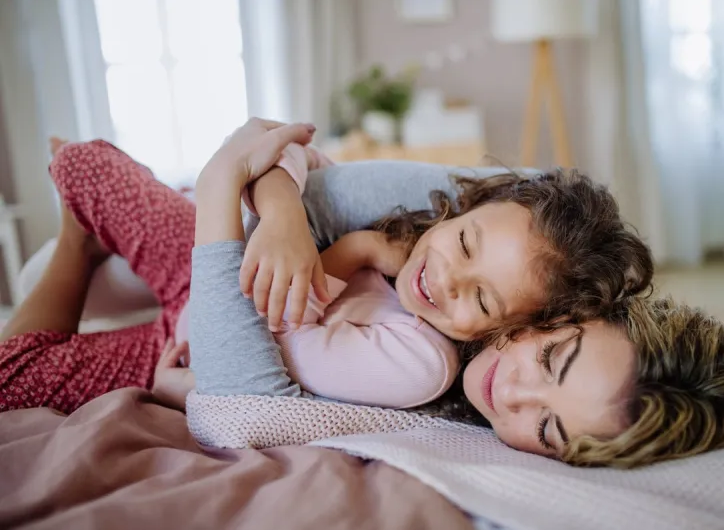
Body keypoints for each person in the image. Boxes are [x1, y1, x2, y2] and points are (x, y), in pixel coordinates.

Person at [0, 119, 652, 413]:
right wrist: (283, 212)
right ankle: (101, 246)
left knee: (11, 380)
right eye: (467, 242)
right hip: (204, 270)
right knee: (80, 162)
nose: (448, 277)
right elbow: (304, 160)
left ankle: (78, 248)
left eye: (480, 301)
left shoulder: (422, 360)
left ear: (501, 330)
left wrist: (357, 249)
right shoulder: (425, 229)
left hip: (198, 337)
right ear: (464, 209)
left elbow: (274, 322)